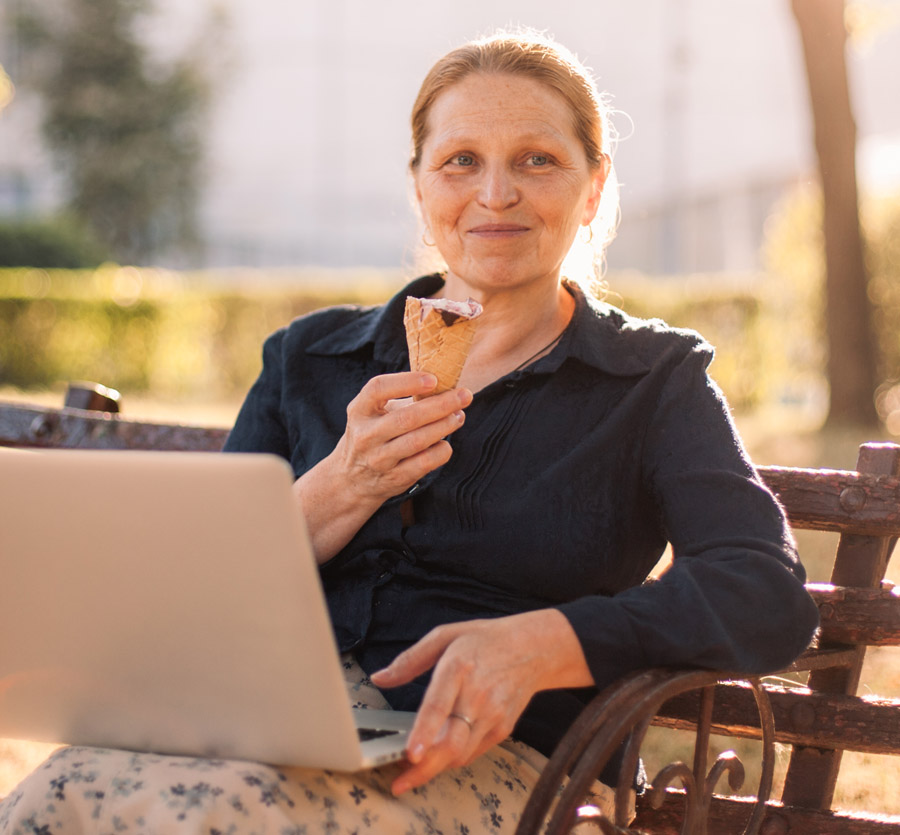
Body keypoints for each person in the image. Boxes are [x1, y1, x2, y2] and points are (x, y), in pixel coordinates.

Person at [0, 29, 819, 834]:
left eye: (537, 159)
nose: (495, 193)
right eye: (461, 160)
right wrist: (338, 486)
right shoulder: (310, 357)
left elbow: (763, 593)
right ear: (420, 186)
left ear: (594, 187)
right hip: (267, 732)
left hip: (510, 764)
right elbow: (182, 598)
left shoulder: (651, 381)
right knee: (59, 791)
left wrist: (546, 643)